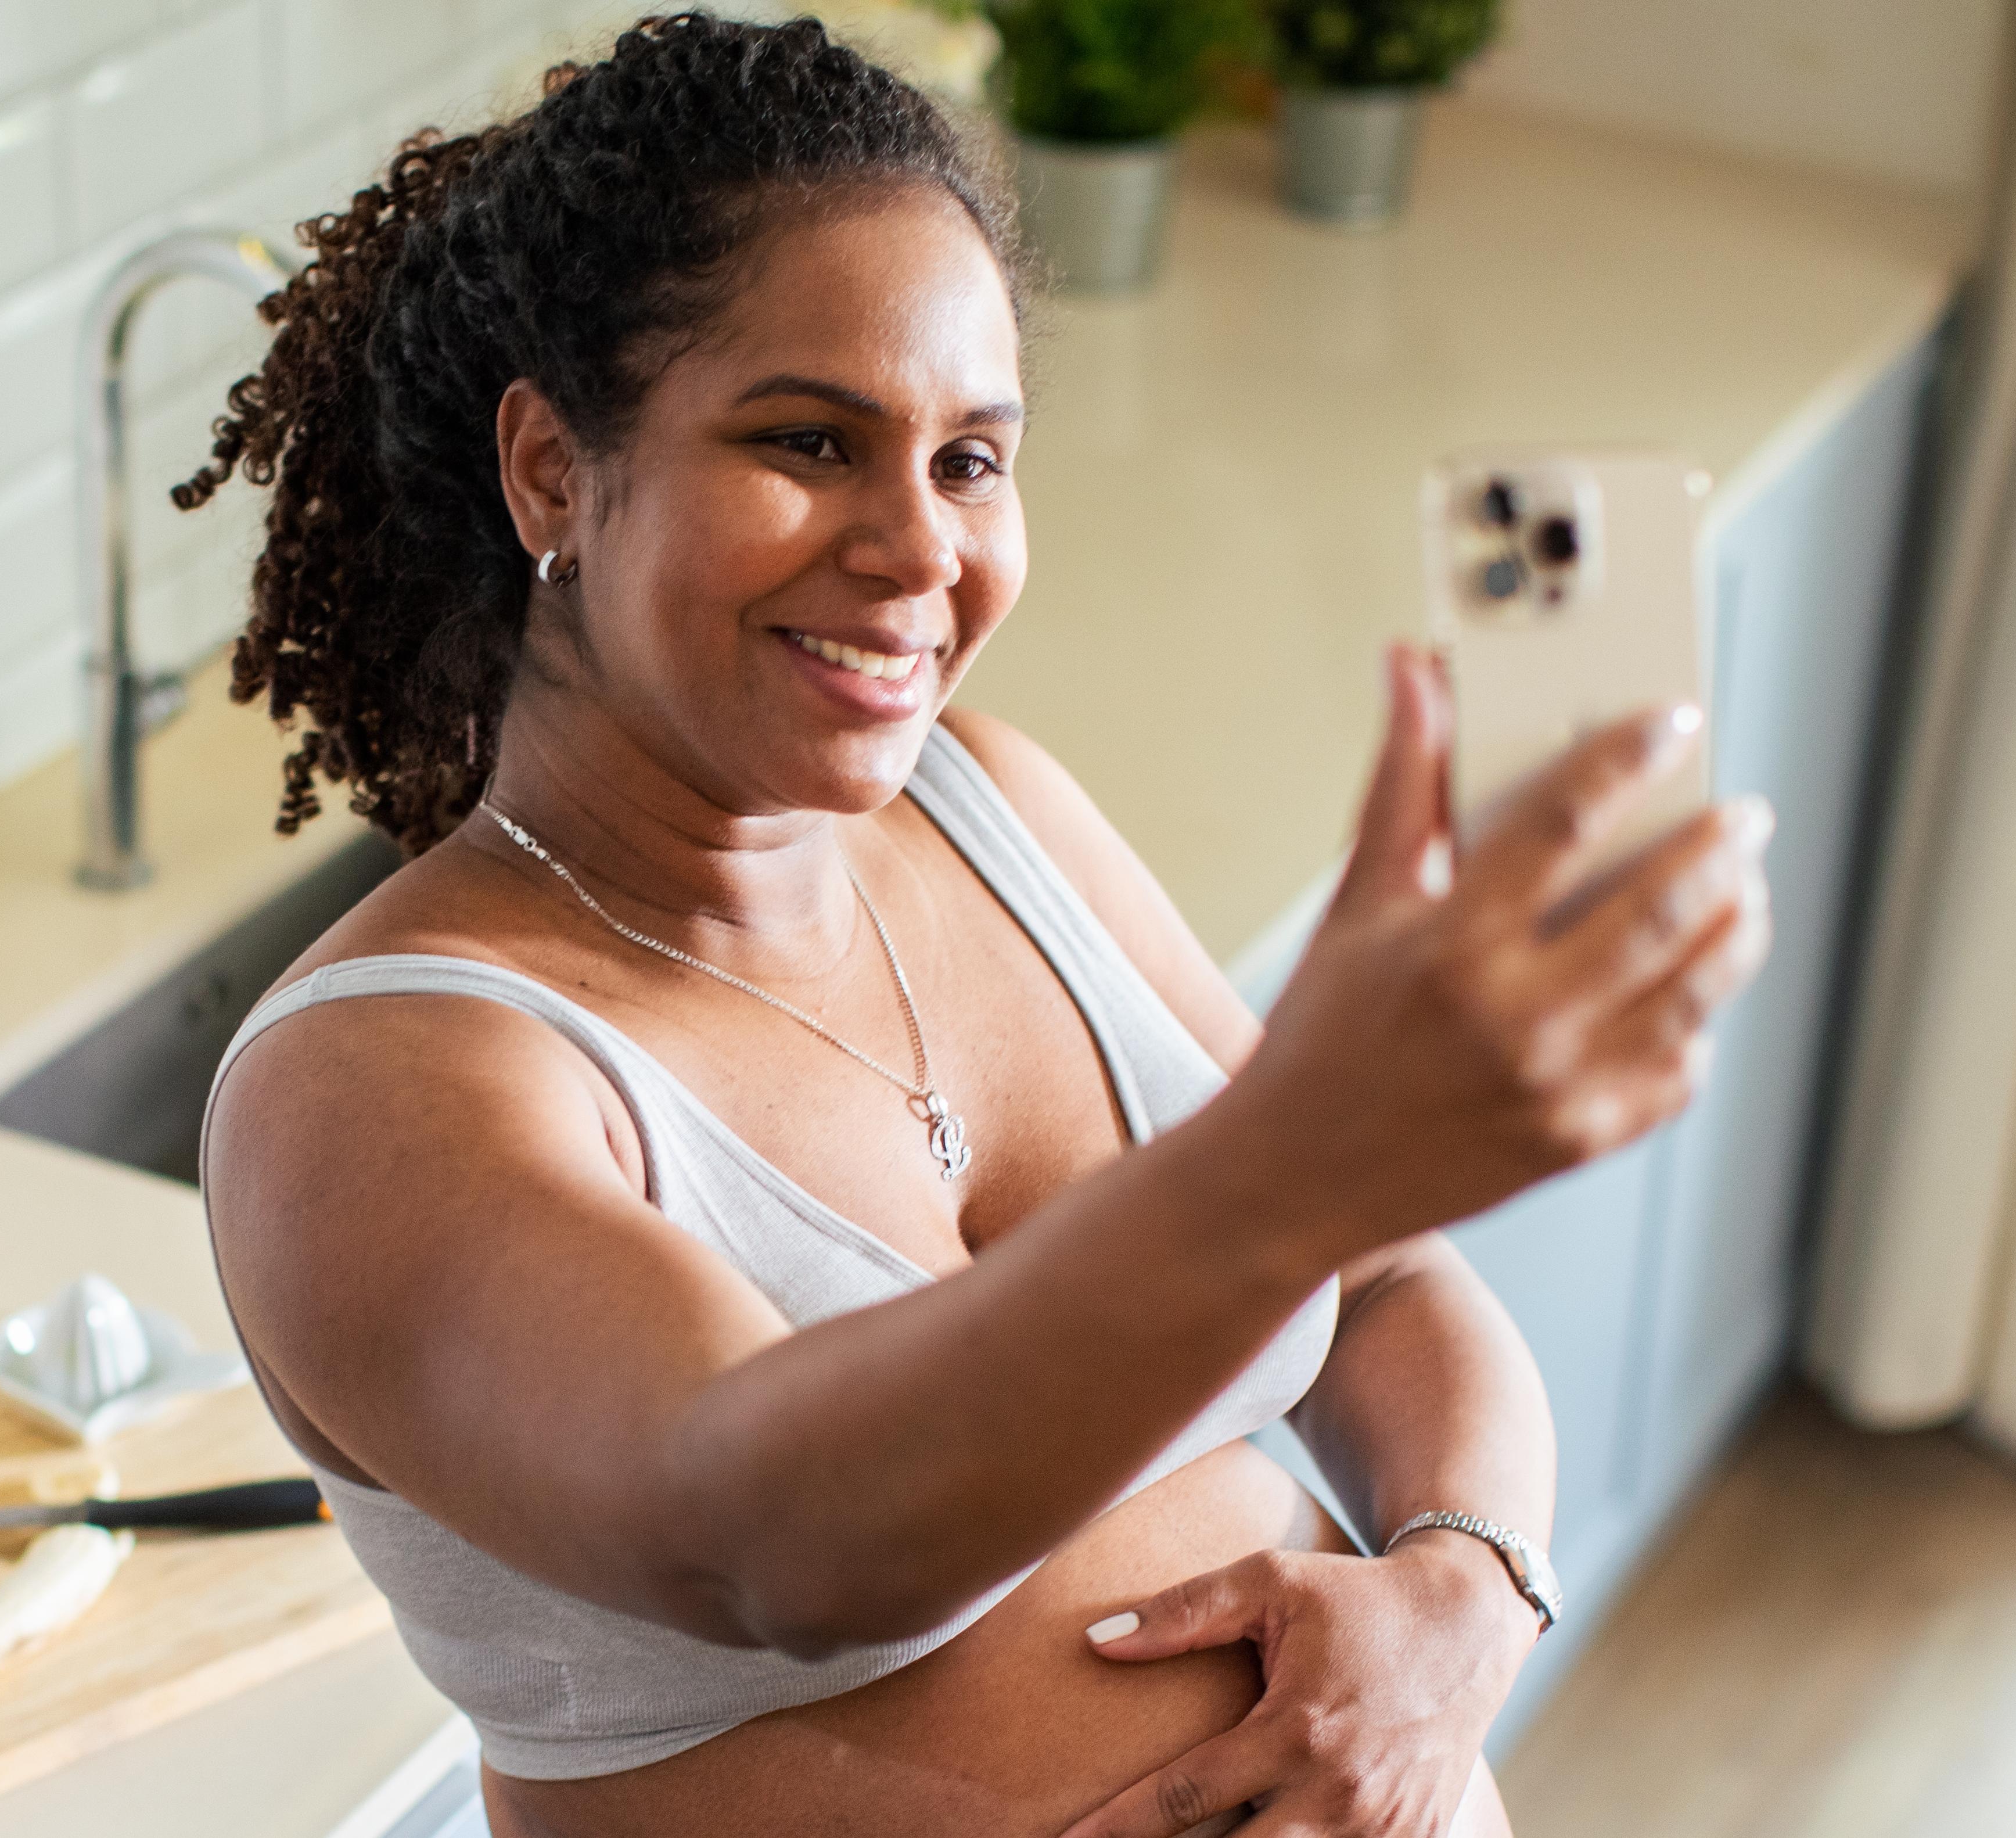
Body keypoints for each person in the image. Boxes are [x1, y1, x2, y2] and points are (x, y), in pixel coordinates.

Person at [184, 16, 1771, 1835]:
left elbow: (1394, 1278)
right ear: (550, 468)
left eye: (971, 461)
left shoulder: (991, 803)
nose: (919, 551)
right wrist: (1300, 1155)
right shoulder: (381, 1078)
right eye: (809, 439)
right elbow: (776, 1533)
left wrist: (1463, 1591)